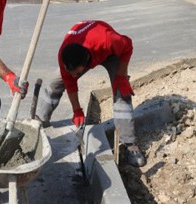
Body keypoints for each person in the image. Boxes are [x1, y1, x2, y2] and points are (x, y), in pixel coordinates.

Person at [35, 20, 146, 167]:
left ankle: (130, 144)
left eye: (78, 73)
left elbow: (128, 45)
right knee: (53, 84)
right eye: (72, 73)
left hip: (110, 54)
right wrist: (77, 110)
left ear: (87, 62)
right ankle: (39, 121)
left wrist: (120, 75)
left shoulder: (109, 41)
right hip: (82, 49)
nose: (75, 76)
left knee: (122, 95)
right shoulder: (65, 55)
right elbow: (70, 84)